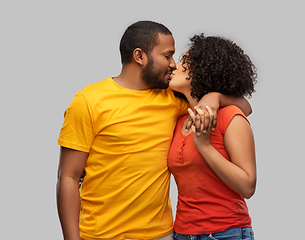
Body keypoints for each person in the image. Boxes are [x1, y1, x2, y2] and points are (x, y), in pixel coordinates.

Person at [56, 21, 252, 240]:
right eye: (167, 56)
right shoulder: (88, 101)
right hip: (100, 235)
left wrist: (215, 96)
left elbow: (244, 107)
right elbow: (69, 177)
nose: (173, 64)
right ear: (139, 56)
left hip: (162, 235)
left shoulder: (173, 100)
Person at [168, 33, 257, 240]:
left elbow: (248, 185)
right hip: (182, 233)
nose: (175, 65)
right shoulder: (178, 119)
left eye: (184, 61)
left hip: (227, 233)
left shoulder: (229, 117)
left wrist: (205, 146)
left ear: (203, 70)